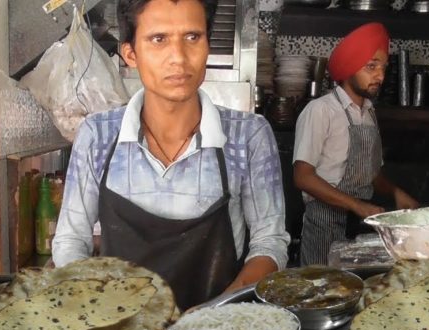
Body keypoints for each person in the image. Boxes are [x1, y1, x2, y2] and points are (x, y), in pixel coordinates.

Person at [52, 0, 289, 310]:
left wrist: (213, 315)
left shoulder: (248, 136)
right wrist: (98, 310)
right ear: (130, 54)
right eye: (158, 39)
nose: (178, 58)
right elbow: (71, 242)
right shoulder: (98, 136)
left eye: (192, 37)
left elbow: (270, 244)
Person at [293, 22, 418, 266]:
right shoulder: (321, 110)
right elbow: (303, 177)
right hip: (325, 225)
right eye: (372, 66)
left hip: (358, 225)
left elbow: (370, 174)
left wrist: (395, 193)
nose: (380, 76)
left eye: (383, 67)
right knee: (322, 292)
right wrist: (358, 205)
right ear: (349, 66)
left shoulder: (369, 113)